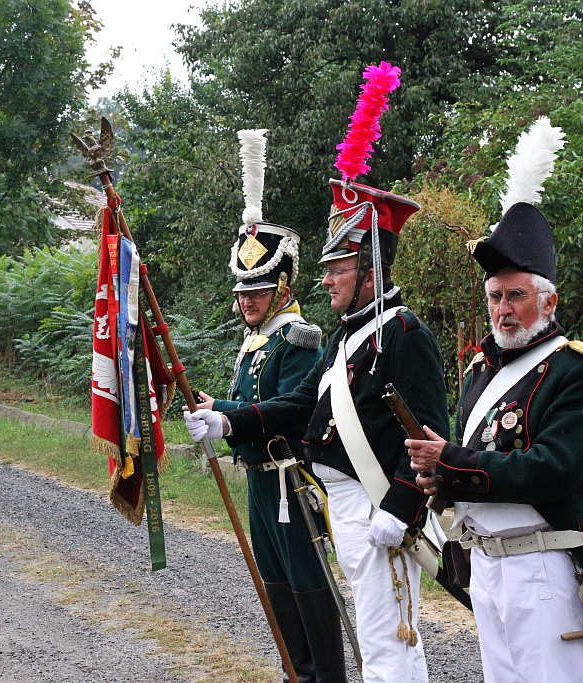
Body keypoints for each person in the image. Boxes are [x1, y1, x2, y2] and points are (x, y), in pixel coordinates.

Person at [186, 173, 448, 681]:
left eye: (337, 269)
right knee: (382, 643)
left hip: (378, 508)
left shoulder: (403, 333)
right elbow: (303, 402)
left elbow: (427, 434)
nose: (325, 280)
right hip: (346, 507)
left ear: (368, 271)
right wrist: (227, 418)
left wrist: (400, 507)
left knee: (386, 645)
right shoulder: (348, 336)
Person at [406, 117, 583, 683]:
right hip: (488, 565)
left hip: (545, 568)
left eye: (517, 296)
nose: (503, 309)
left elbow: (553, 470)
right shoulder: (483, 369)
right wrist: (441, 480)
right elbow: (472, 457)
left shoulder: (576, 372)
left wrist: (451, 463)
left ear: (548, 302)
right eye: (496, 297)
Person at [195, 129, 345, 683]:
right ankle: (296, 674)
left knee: (308, 584)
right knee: (274, 585)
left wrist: (229, 416)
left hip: (291, 481)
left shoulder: (300, 338)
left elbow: (289, 408)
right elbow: (250, 403)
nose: (247, 303)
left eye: (257, 293)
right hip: (258, 480)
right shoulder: (254, 341)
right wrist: (219, 410)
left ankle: (325, 677)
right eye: (242, 294)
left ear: (282, 288)